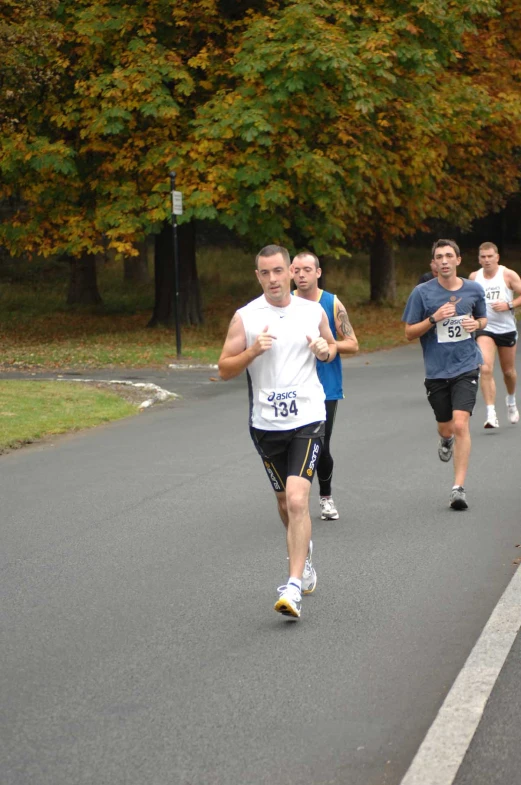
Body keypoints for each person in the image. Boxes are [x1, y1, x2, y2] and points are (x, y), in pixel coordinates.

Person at [218, 245, 337, 619]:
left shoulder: (312, 310)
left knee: (299, 499)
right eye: (265, 272)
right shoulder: (246, 317)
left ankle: (292, 586)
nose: (273, 279)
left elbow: (330, 348)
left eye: (278, 271)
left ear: (291, 273)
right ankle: (305, 554)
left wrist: (325, 349)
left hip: (309, 417)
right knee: (286, 504)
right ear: (258, 276)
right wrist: (252, 352)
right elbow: (224, 369)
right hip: (266, 424)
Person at [402, 239, 487, 511]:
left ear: (459, 260)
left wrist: (477, 323)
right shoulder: (422, 293)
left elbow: (482, 319)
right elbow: (408, 332)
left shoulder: (473, 289)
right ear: (434, 263)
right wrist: (434, 318)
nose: (444, 261)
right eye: (439, 257)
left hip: (467, 366)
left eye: (449, 256)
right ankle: (446, 439)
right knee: (447, 426)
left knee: (462, 424)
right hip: (437, 371)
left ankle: (457, 489)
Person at [291, 251, 359, 520]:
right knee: (291, 443)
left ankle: (326, 497)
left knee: (320, 444)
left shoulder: (331, 303)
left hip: (326, 385)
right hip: (293, 385)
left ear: (318, 272)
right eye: (296, 270)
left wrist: (327, 345)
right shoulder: (285, 304)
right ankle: (296, 498)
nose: (301, 275)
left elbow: (352, 343)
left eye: (307, 269)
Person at [469, 242, 521, 428]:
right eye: (483, 257)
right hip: (485, 328)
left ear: (497, 257)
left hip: (506, 329)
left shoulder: (507, 274)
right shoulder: (474, 277)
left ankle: (511, 401)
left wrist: (508, 305)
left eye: (490, 256)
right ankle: (491, 413)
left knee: (508, 372)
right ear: (479, 259)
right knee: (485, 368)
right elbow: (469, 301)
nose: (487, 260)